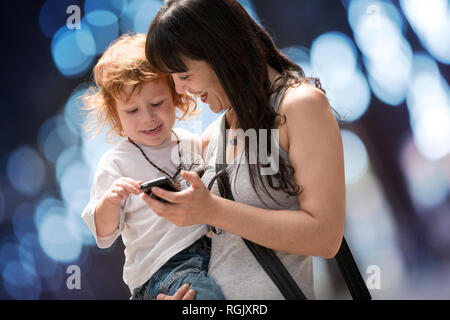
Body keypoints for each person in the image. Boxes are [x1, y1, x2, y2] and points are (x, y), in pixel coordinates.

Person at [143, 0, 346, 300]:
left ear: (222, 51)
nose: (180, 90)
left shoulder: (300, 105)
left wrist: (213, 209)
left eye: (184, 75)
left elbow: (326, 237)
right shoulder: (211, 138)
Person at [80, 33, 224, 300]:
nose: (147, 118)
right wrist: (111, 201)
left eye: (157, 103)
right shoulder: (115, 163)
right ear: (114, 114)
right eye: (132, 111)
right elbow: (103, 232)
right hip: (164, 270)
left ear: (176, 95)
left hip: (207, 255)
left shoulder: (192, 143)